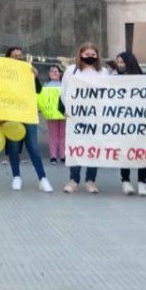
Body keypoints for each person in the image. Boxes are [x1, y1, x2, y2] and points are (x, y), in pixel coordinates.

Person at [4, 46, 53, 193]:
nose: (18, 58)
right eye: (15, 56)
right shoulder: (3, 74)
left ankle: (42, 178)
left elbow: (38, 91)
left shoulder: (28, 70)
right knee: (13, 147)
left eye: (20, 56)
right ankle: (16, 176)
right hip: (12, 115)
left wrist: (36, 77)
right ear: (8, 58)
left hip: (28, 114)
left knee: (33, 147)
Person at [65, 43, 106, 194]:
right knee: (76, 147)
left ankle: (90, 180)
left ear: (97, 56)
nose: (89, 57)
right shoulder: (71, 71)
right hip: (76, 116)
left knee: (93, 148)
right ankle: (73, 180)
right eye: (86, 54)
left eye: (93, 55)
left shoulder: (103, 72)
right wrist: (67, 109)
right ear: (80, 55)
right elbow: (64, 91)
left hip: (96, 117)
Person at [115, 51, 146, 196]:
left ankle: (141, 182)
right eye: (118, 62)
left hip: (139, 121)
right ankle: (125, 181)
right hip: (122, 122)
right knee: (125, 151)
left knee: (140, 152)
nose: (120, 65)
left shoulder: (141, 79)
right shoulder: (113, 79)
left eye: (122, 62)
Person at [40, 64, 66, 165]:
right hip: (51, 114)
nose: (54, 73)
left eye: (56, 71)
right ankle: (53, 156)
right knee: (53, 135)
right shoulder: (46, 86)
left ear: (60, 73)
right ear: (49, 74)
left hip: (63, 113)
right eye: (52, 71)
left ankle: (63, 155)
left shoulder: (64, 85)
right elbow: (42, 99)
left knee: (63, 135)